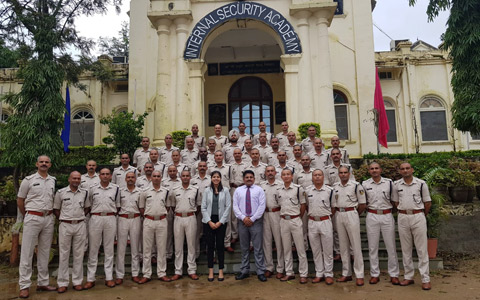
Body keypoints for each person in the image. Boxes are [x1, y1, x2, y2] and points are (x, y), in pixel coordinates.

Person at [17, 155, 57, 298]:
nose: (44, 164)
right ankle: (24, 285)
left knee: (45, 252)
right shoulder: (28, 180)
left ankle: (43, 282)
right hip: (33, 217)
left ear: (50, 165)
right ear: (37, 164)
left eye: (46, 162)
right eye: (42, 162)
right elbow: (20, 200)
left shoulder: (52, 180)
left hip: (48, 218)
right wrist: (27, 215)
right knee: (27, 253)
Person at [392, 162, 432, 290]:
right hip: (403, 216)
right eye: (402, 169)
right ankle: (408, 276)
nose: (405, 171)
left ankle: (425, 278)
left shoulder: (421, 184)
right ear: (400, 171)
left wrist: (420, 214)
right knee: (406, 249)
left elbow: (427, 203)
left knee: (422, 250)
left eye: (407, 168)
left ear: (412, 170)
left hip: (418, 216)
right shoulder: (396, 185)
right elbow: (396, 202)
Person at [362, 162, 400, 285]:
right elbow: (364, 201)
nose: (374, 170)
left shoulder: (389, 183)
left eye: (376, 168)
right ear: (369, 171)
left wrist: (388, 212)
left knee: (391, 246)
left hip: (387, 215)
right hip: (372, 215)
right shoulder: (365, 184)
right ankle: (374, 274)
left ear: (381, 170)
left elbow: (395, 201)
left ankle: (393, 274)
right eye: (372, 169)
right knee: (373, 247)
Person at [84, 168, 120, 290]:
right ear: (99, 176)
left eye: (107, 174)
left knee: (109, 249)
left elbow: (118, 206)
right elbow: (88, 205)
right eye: (102, 174)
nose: (105, 176)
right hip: (96, 218)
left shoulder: (116, 189)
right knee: (93, 249)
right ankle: (90, 278)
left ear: (110, 176)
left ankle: (109, 277)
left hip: (110, 218)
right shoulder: (92, 189)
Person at [53, 171, 89, 293]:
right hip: (65, 225)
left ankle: (77, 281)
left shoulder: (84, 193)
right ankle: (62, 282)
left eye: (78, 179)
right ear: (69, 179)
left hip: (80, 224)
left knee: (79, 254)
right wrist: (65, 219)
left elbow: (87, 208)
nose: (76, 181)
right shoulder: (61, 193)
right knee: (64, 254)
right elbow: (56, 209)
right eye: (74, 178)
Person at [332, 166, 366, 286]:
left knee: (355, 245)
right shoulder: (335, 187)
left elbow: (362, 204)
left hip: (351, 213)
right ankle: (346, 273)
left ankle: (359, 274)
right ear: (338, 174)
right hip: (339, 214)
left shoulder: (356, 185)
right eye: (341, 173)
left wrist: (355, 213)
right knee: (343, 245)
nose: (343, 175)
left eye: (345, 172)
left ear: (349, 173)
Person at [233, 170, 267, 282]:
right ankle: (244, 270)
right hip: (242, 222)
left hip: (256, 221)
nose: (249, 179)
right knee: (244, 248)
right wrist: (243, 218)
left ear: (254, 178)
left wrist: (252, 219)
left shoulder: (259, 190)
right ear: (243, 179)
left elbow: (262, 206)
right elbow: (235, 207)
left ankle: (261, 271)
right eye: (246, 177)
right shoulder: (238, 190)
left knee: (258, 248)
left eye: (251, 177)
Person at [138, 171, 172, 283]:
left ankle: (161, 273)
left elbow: (167, 207)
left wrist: (159, 215)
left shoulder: (166, 192)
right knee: (147, 249)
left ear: (161, 178)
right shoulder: (144, 192)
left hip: (162, 220)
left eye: (158, 176)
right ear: (151, 178)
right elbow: (141, 208)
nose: (156, 178)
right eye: (154, 176)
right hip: (148, 220)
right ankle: (146, 274)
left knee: (162, 248)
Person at [277, 168, 308, 284]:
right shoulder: (279, 190)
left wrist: (297, 216)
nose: (286, 176)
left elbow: (303, 205)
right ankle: (289, 272)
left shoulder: (298, 189)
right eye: (283, 175)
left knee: (300, 248)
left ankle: (303, 273)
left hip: (295, 219)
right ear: (281, 177)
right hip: (284, 220)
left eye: (288, 174)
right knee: (286, 248)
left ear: (292, 176)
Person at [170, 170, 201, 281]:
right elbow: (173, 205)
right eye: (183, 176)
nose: (185, 178)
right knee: (178, 246)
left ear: (190, 177)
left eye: (187, 176)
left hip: (191, 217)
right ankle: (178, 271)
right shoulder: (175, 190)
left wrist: (189, 213)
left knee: (191, 245)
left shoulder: (195, 190)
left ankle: (192, 270)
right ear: (180, 177)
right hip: (178, 218)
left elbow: (198, 206)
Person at [305, 169, 335, 285]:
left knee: (327, 249)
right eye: (315, 175)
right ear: (312, 177)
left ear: (323, 177)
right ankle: (319, 273)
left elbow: (333, 207)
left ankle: (328, 274)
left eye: (319, 175)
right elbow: (307, 206)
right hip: (312, 221)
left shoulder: (330, 191)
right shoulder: (307, 191)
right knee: (316, 249)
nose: (317, 177)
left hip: (325, 221)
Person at [201, 171, 231, 281]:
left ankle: (221, 271)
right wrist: (209, 221)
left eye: (218, 177)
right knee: (210, 246)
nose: (216, 179)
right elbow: (203, 207)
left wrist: (220, 222)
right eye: (214, 177)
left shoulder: (226, 190)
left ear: (220, 178)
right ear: (211, 178)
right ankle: (210, 271)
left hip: (221, 222)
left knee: (220, 246)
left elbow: (228, 207)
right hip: (208, 221)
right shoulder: (206, 191)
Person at [115, 172, 142, 284]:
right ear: (125, 179)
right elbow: (117, 206)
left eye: (132, 177)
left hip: (135, 218)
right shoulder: (120, 191)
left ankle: (135, 273)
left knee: (135, 247)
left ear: (135, 179)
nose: (130, 179)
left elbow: (141, 207)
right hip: (122, 218)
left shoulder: (140, 192)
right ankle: (119, 275)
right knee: (121, 248)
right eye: (128, 177)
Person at [260, 166, 284, 279]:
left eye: (271, 171)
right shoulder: (262, 185)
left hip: (277, 213)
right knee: (267, 242)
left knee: (279, 241)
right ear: (265, 173)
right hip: (265, 214)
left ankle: (280, 267)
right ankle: (269, 267)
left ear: (275, 172)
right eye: (268, 171)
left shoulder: (281, 184)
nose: (270, 173)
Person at [228, 148, 246, 245]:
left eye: (239, 153)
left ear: (241, 154)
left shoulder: (246, 165)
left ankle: (244, 234)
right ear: (233, 155)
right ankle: (234, 235)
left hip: (244, 188)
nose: (237, 155)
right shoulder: (230, 166)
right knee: (234, 213)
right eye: (235, 153)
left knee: (243, 211)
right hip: (234, 189)